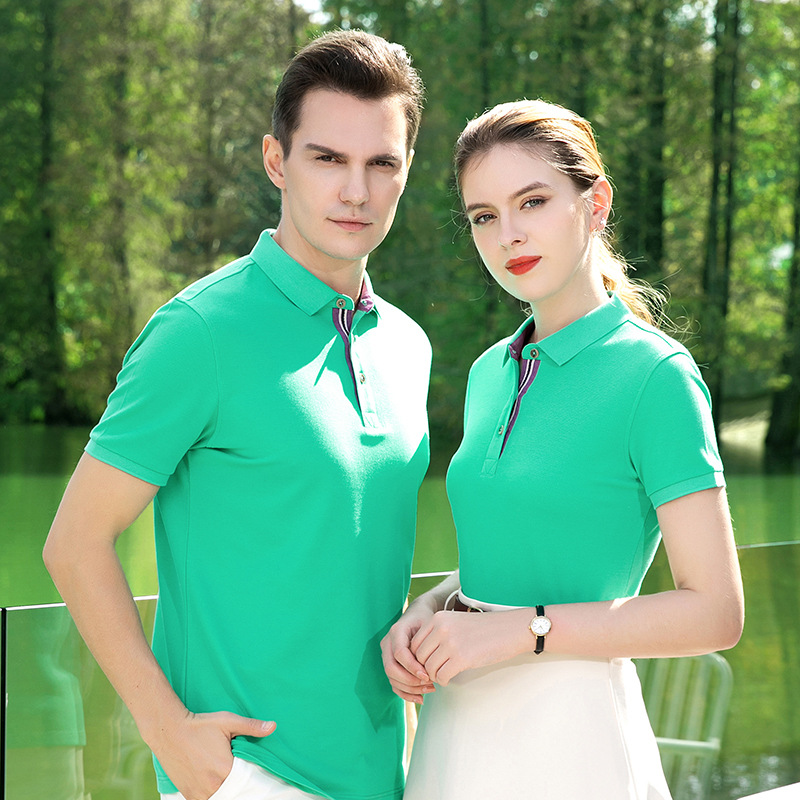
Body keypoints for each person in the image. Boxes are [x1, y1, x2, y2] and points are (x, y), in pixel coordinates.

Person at [44, 30, 430, 800]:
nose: (355, 191)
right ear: (276, 161)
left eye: (381, 163)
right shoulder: (199, 333)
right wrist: (167, 733)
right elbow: (75, 544)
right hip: (248, 776)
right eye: (328, 158)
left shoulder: (407, 345)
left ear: (406, 170)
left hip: (388, 772)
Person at [381, 99, 745, 799]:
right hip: (456, 729)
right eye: (483, 216)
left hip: (572, 738)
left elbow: (715, 613)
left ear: (595, 202)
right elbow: (522, 558)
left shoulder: (655, 377)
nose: (508, 235)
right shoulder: (489, 373)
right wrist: (430, 607)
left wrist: (526, 632)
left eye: (533, 201)